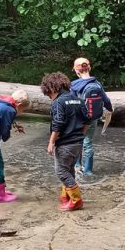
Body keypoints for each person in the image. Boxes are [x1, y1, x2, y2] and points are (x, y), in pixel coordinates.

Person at [40, 72, 87, 211]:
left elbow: (58, 122)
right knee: (69, 169)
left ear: (53, 89)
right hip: (78, 143)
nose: (49, 97)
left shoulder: (59, 102)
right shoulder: (78, 99)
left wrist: (51, 142)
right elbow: (89, 119)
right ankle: (66, 195)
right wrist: (80, 134)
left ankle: (76, 200)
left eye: (49, 94)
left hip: (65, 143)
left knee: (61, 171)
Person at [70, 57, 113, 176]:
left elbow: (71, 103)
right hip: (92, 118)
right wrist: (110, 110)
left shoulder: (73, 85)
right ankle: (88, 171)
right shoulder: (97, 84)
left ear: (77, 71)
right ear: (89, 68)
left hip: (78, 119)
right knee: (88, 142)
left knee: (77, 141)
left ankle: (77, 166)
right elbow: (106, 100)